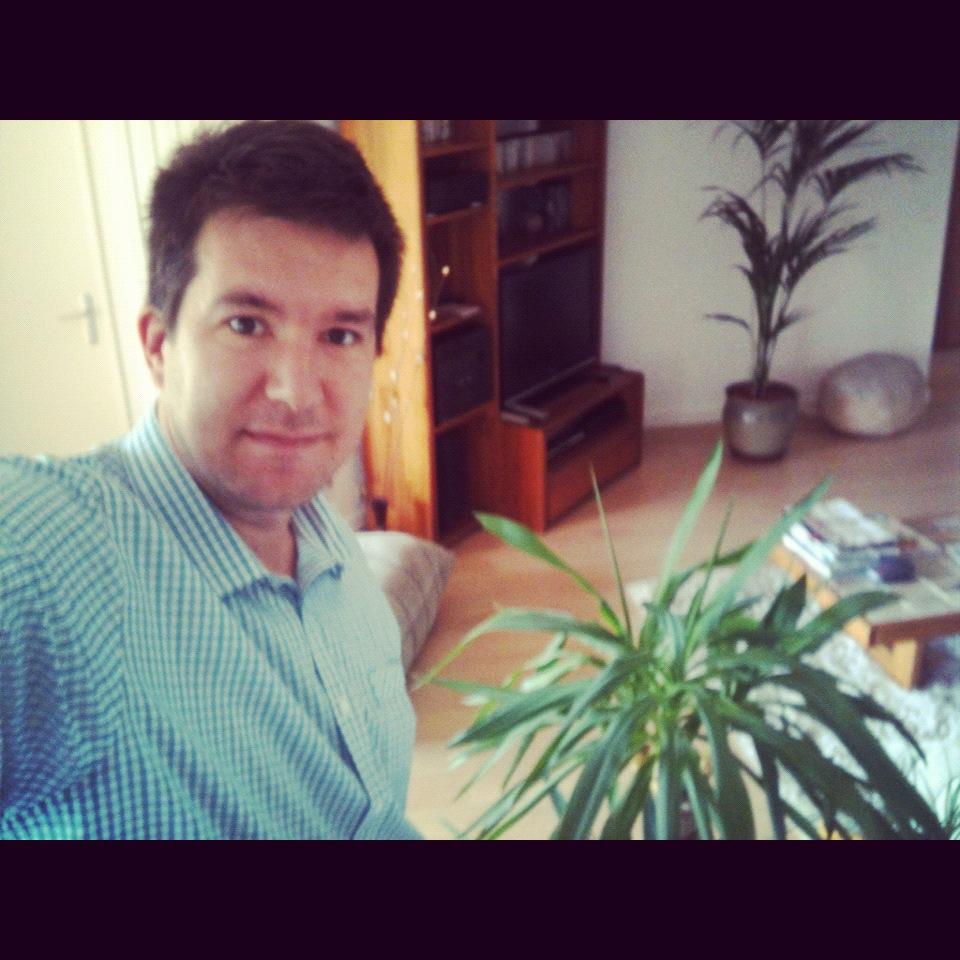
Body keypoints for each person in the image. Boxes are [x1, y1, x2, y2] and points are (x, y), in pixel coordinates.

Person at [0, 120, 421, 839]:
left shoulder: (323, 535)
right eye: (247, 324)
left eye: (340, 335)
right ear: (158, 345)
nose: (296, 393)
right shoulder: (53, 560)